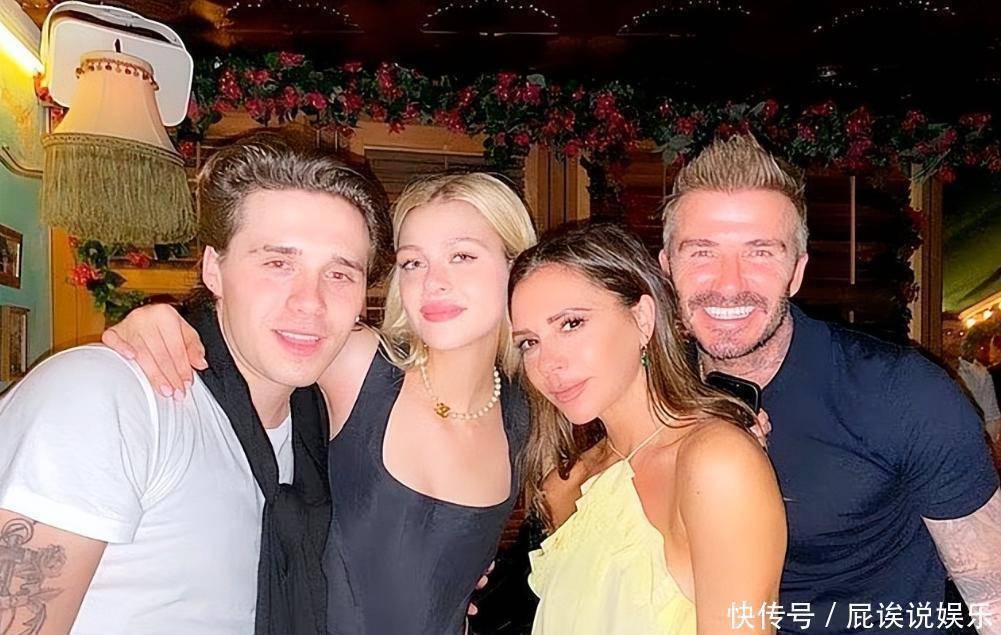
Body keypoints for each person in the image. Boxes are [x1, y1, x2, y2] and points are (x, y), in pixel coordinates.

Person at [100, 171, 538, 634]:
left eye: (462, 256)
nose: (433, 282)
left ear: (517, 268)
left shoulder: (525, 413)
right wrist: (162, 321)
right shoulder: (360, 363)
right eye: (413, 262)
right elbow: (248, 340)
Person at [0, 133, 390, 634]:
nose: (310, 301)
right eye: (278, 263)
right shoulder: (105, 396)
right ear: (213, 269)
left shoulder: (325, 425)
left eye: (339, 274)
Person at [655, 135, 1001, 633]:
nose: (729, 284)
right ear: (667, 268)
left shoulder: (904, 394)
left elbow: (992, 594)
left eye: (760, 253)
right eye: (702, 252)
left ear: (796, 272)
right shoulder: (652, 392)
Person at [508, 223, 786, 634]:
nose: (549, 363)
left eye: (571, 323)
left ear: (642, 317)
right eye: (529, 342)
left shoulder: (716, 463)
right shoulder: (564, 485)